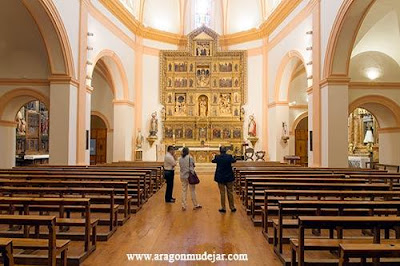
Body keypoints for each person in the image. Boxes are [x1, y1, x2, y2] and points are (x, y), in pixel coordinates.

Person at [212, 146, 237, 213]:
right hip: (229, 176)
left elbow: (213, 161)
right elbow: (234, 161)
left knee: (222, 193)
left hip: (220, 176)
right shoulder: (229, 156)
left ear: (220, 151)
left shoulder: (217, 157)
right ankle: (232, 207)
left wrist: (214, 156)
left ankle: (223, 208)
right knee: (230, 192)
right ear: (226, 150)